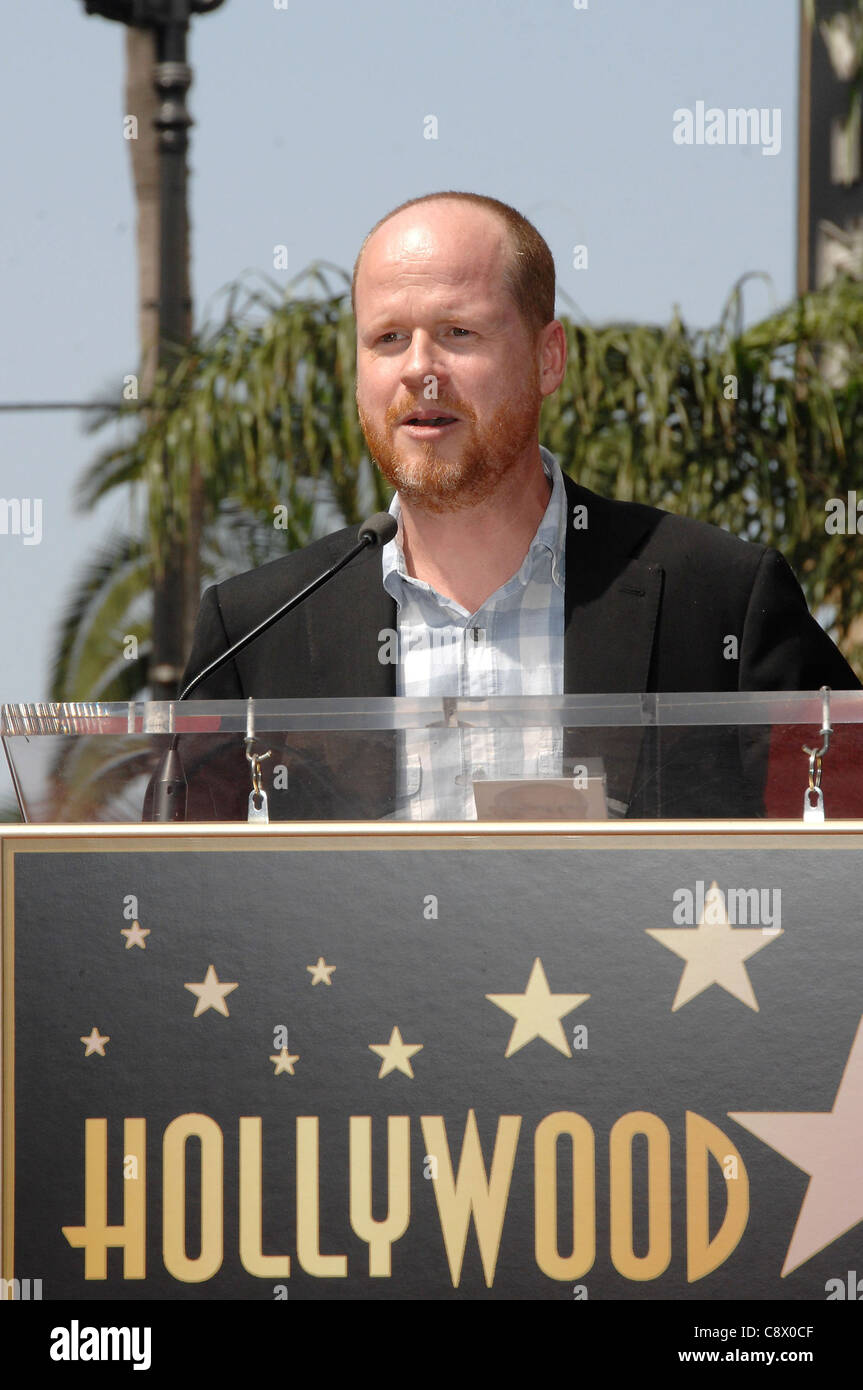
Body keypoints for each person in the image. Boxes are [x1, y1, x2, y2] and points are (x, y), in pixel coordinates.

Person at [167, 191, 861, 822]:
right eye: (387, 338)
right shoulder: (255, 633)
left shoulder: (716, 598)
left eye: (458, 332)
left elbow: (833, 864)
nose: (418, 368)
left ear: (547, 359)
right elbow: (173, 902)